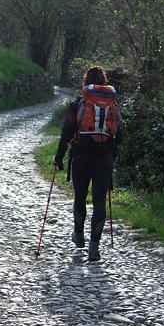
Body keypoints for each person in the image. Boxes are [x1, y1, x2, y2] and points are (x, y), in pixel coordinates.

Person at [53, 66, 123, 261]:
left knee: (80, 198)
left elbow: (66, 132)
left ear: (86, 83)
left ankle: (79, 236)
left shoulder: (78, 104)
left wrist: (59, 157)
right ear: (105, 82)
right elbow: (121, 135)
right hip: (105, 159)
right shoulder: (113, 105)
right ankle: (95, 246)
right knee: (99, 201)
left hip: (81, 157)